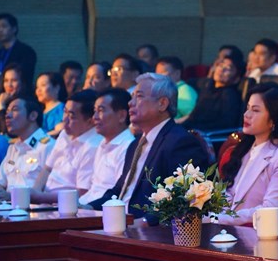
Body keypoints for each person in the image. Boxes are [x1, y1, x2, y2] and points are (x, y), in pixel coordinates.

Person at [88, 73, 212, 223]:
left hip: (145, 229)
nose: (130, 103)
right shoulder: (135, 145)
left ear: (162, 104)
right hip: (119, 223)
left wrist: (145, 222)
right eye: (132, 97)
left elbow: (186, 199)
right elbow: (118, 192)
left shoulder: (180, 142)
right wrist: (87, 208)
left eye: (139, 96)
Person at [216, 84, 278, 224]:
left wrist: (220, 219)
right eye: (248, 108)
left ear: (273, 119)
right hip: (225, 230)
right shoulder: (243, 150)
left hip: (255, 233)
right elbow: (229, 197)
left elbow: (270, 211)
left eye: (255, 110)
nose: (246, 115)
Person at [30, 90, 103, 204]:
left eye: (72, 116)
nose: (64, 119)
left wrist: (40, 197)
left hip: (67, 206)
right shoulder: (65, 134)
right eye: (65, 112)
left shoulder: (93, 146)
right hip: (45, 200)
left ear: (90, 121)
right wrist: (35, 193)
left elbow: (81, 193)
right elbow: (47, 168)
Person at [80, 88, 135, 206]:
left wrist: (87, 208)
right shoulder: (102, 143)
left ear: (121, 115)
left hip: (105, 211)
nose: (94, 117)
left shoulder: (128, 147)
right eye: (94, 111)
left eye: (101, 110)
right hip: (88, 206)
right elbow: (94, 190)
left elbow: (119, 194)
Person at [0, 96, 53, 192]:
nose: (7, 116)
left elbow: (52, 191)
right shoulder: (13, 149)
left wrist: (10, 197)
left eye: (15, 110)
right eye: (7, 111)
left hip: (33, 202)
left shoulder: (48, 146)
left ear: (33, 116)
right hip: (8, 201)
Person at [0, 13, 37, 120]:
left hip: (21, 101)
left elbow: (26, 77)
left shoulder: (26, 51)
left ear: (14, 29)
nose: (0, 30)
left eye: (4, 26)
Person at [181, 50, 244, 132]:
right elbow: (193, 116)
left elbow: (225, 125)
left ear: (237, 78)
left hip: (205, 134)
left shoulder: (230, 95)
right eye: (220, 65)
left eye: (228, 68)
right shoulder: (208, 88)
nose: (221, 69)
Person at [155, 56, 198, 121]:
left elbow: (193, 116)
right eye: (156, 73)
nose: (158, 76)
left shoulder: (184, 91)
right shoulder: (162, 91)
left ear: (177, 73)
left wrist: (175, 123)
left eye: (162, 72)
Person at [34, 72, 67, 136]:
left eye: (43, 85)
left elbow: (59, 131)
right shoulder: (41, 111)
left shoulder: (61, 109)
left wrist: (39, 138)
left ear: (56, 88)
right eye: (37, 87)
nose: (38, 90)